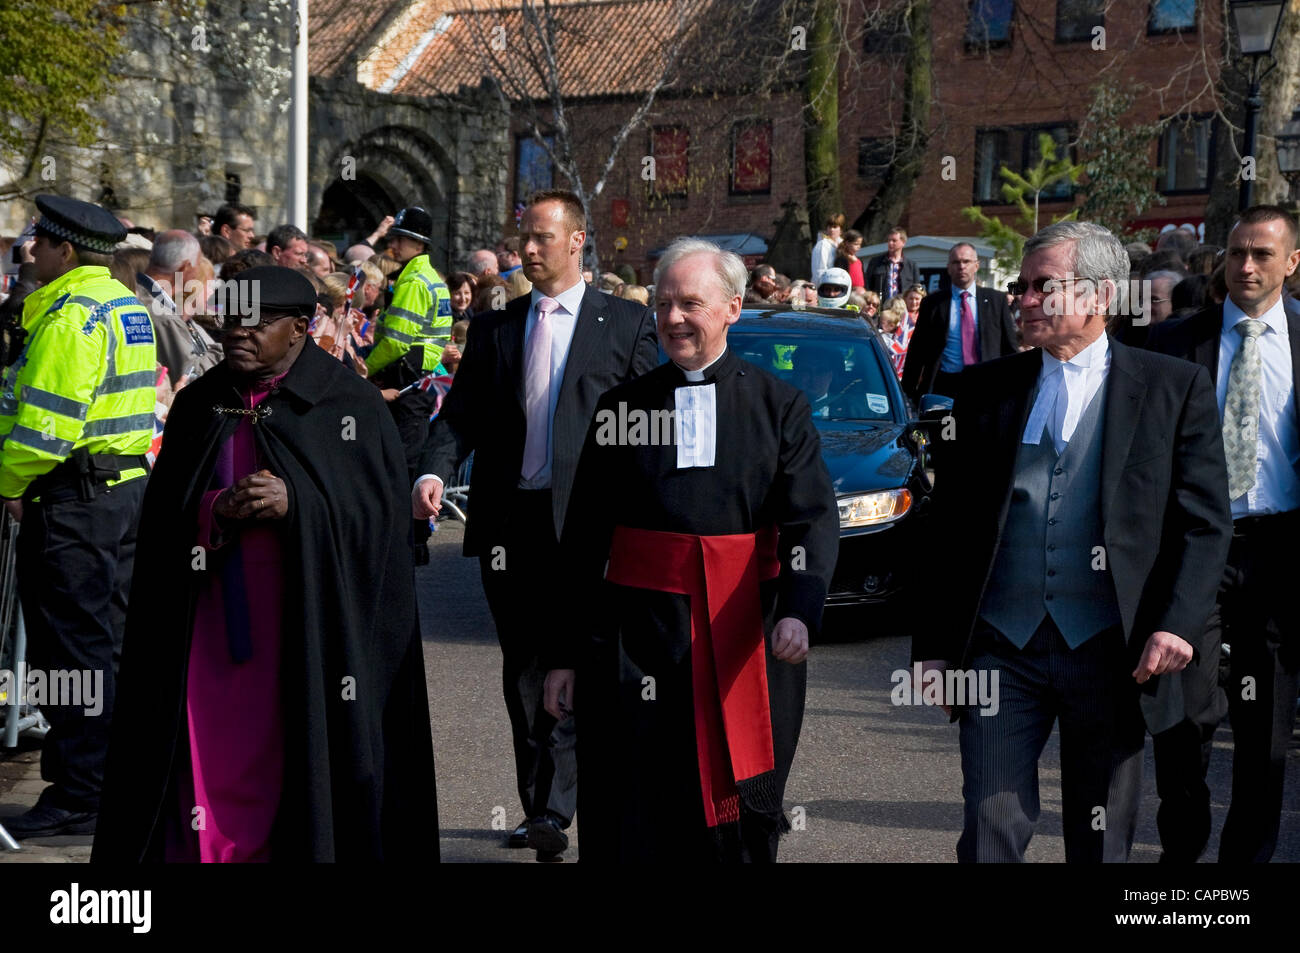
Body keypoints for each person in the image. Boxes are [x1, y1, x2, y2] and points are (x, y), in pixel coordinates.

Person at [92, 267, 436, 863]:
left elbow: (380, 528)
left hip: (307, 634)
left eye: (256, 322)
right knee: (200, 766)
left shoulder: (347, 404)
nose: (236, 334)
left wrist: (299, 503)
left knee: (298, 766)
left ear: (300, 328)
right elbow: (164, 516)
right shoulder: (202, 403)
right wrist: (213, 507)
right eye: (229, 320)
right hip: (208, 633)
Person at [917, 220, 1231, 863]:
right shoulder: (982, 393)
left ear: (1099, 297)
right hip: (1001, 647)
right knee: (988, 830)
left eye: (1043, 287)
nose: (1023, 300)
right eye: (1021, 286)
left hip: (1112, 648)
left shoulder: (1172, 389)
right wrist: (935, 648)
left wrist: (1176, 625)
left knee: (1100, 840)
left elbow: (1204, 521)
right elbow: (946, 528)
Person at [544, 238, 838, 862]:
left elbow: (812, 520)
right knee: (635, 805)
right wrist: (564, 655)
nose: (673, 318)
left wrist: (798, 609)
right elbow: (583, 542)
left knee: (740, 804)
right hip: (633, 642)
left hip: (743, 636)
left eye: (691, 303)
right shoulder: (620, 409)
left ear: (733, 308)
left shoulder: (778, 407)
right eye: (664, 304)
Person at [411, 189, 658, 859]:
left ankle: (581, 796)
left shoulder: (625, 326)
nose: (527, 248)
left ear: (577, 241)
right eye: (524, 236)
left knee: (584, 663)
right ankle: (542, 806)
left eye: (542, 237)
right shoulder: (497, 328)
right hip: (509, 527)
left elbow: (654, 425)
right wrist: (431, 474)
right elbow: (457, 419)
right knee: (525, 668)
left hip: (590, 530)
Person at [1145, 205, 1300, 863]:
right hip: (1194, 553)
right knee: (1184, 718)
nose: (1245, 266)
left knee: (1264, 728)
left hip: (1281, 554)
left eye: (1262, 254)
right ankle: (1183, 850)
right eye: (1236, 252)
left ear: (1291, 262)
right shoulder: (1173, 346)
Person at [0, 195, 157, 839]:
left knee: (70, 653)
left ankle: (79, 789)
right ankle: (111, 777)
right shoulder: (124, 304)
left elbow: (44, 427)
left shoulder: (71, 318)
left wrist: (8, 482)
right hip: (118, 496)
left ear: (67, 252)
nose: (30, 250)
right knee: (107, 644)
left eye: (40, 242)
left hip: (72, 503)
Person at [364, 206, 452, 486]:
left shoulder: (413, 282)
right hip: (420, 378)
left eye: (399, 239)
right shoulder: (428, 277)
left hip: (407, 380)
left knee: (400, 464)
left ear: (418, 243)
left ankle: (407, 526)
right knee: (408, 458)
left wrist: (364, 369)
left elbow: (395, 343)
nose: (392, 244)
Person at [901, 242, 1019, 403]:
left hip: (987, 384)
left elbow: (1010, 349)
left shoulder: (996, 300)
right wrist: (907, 393)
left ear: (976, 265)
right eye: (956, 262)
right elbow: (917, 350)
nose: (961, 267)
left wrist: (1015, 389)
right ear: (948, 267)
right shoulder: (933, 303)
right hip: (945, 384)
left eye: (966, 261)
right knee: (947, 428)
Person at [136, 230, 223, 389]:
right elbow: (190, 375)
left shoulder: (140, 292)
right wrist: (229, 346)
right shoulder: (161, 314)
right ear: (185, 268)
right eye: (198, 263)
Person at [864, 226, 920, 301]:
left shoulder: (912, 266)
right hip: (881, 307)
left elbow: (916, 290)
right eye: (889, 240)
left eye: (894, 240)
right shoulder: (875, 262)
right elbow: (867, 287)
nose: (890, 243)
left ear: (903, 243)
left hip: (902, 307)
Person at [811, 213, 843, 282]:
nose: (831, 230)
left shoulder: (843, 246)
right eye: (829, 226)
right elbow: (819, 271)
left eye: (835, 227)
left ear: (841, 229)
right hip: (826, 287)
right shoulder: (823, 245)